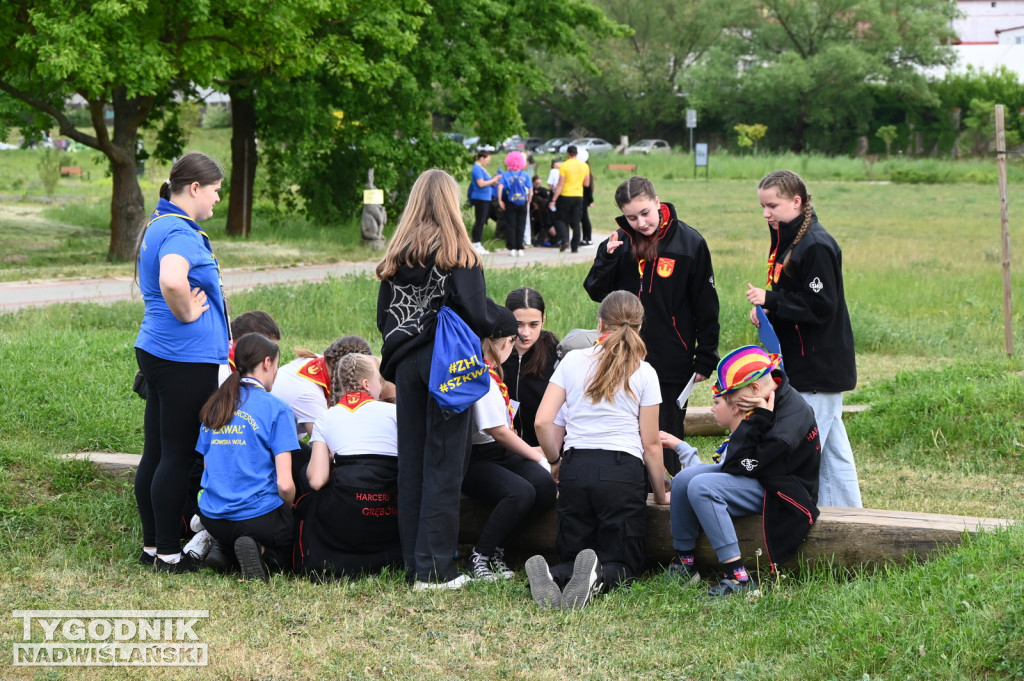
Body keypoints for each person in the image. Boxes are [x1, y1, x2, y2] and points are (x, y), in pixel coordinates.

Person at [377, 168, 500, 590]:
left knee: (411, 463)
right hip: (447, 365)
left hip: (406, 365)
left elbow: (385, 318)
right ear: (452, 202)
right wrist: (503, 318)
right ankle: (437, 571)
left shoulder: (396, 257)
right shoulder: (458, 254)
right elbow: (478, 315)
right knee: (445, 465)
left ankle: (415, 564)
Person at [528, 291, 669, 610]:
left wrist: (554, 461)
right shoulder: (644, 372)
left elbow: (542, 422)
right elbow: (650, 444)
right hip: (622, 472)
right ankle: (598, 577)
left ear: (600, 323)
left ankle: (551, 574)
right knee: (625, 563)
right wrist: (660, 494)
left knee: (573, 553)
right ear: (639, 325)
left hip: (576, 468)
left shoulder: (573, 361)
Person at [583, 176, 720, 477]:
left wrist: (706, 354)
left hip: (672, 357)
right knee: (626, 427)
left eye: (645, 213)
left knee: (666, 433)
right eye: (631, 217)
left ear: (658, 203)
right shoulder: (618, 243)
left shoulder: (689, 243)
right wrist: (606, 258)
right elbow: (595, 291)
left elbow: (706, 305)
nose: (641, 222)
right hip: (624, 355)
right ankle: (630, 489)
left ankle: (668, 497)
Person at [133, 151, 229, 573]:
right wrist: (189, 313)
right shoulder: (181, 232)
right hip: (183, 358)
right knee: (176, 455)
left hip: (157, 349)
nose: (217, 200)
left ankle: (152, 546)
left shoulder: (157, 223)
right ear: (194, 188)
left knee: (155, 453)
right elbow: (172, 278)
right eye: (215, 191)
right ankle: (170, 554)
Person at [745, 169, 861, 508]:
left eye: (773, 206)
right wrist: (769, 312)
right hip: (802, 361)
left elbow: (821, 306)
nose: (767, 213)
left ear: (797, 202)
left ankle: (804, 516)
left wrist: (771, 301)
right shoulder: (790, 238)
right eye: (763, 207)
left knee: (807, 449)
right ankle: (850, 517)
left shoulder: (816, 245)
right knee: (834, 453)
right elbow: (791, 296)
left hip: (819, 366)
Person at [666, 345, 821, 597]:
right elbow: (737, 461)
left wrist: (757, 417)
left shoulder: (789, 422)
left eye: (731, 393)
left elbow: (740, 462)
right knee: (684, 479)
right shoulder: (766, 398)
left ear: (755, 388)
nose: (729, 399)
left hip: (784, 492)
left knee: (702, 487)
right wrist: (758, 416)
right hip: (761, 475)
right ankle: (686, 562)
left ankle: (737, 577)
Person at [463, 307, 557, 581]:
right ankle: (479, 555)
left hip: (497, 453)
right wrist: (538, 456)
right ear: (505, 343)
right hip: (475, 458)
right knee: (520, 492)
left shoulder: (491, 372)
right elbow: (498, 431)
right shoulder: (478, 375)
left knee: (544, 488)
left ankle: (497, 547)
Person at [196, 333, 299, 582]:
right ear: (266, 362)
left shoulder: (215, 405)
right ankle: (260, 551)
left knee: (239, 530)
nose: (276, 372)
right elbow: (285, 485)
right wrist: (288, 510)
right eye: (276, 365)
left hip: (213, 516)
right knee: (290, 544)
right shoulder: (277, 409)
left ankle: (227, 549)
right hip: (258, 518)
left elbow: (208, 467)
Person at [296, 354, 402, 580]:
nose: (381, 387)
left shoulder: (326, 417)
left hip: (346, 516)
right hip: (392, 514)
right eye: (378, 381)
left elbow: (316, 480)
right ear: (366, 384)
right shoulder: (394, 413)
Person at [501, 287, 559, 447]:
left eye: (534, 325)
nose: (525, 333)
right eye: (518, 324)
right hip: (504, 447)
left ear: (543, 321)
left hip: (546, 448)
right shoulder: (493, 353)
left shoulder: (556, 353)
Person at [550, 145, 590, 253]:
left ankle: (565, 240)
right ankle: (575, 246)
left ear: (568, 153)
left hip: (566, 195)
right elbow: (586, 183)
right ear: (576, 153)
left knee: (560, 219)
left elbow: (560, 184)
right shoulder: (584, 166)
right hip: (578, 195)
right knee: (576, 222)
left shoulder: (564, 166)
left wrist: (553, 200)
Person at [497, 151, 532, 257]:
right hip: (522, 202)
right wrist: (529, 200)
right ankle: (520, 248)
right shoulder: (525, 174)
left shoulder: (506, 175)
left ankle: (512, 248)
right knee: (521, 225)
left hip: (510, 202)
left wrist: (500, 200)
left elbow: (500, 187)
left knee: (511, 225)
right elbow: (530, 189)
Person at [468, 151, 502, 254]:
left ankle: (477, 242)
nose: (488, 162)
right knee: (480, 220)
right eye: (487, 160)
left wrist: (493, 183)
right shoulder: (477, 168)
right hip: (480, 198)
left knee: (482, 220)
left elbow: (486, 183)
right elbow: (481, 183)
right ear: (482, 158)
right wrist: (494, 179)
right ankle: (476, 243)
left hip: (485, 198)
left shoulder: (481, 168)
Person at [578, 148, 594, 246]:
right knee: (583, 218)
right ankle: (585, 238)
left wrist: (590, 200)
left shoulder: (585, 169)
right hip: (584, 197)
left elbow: (587, 187)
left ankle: (588, 239)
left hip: (584, 197)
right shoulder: (586, 168)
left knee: (584, 218)